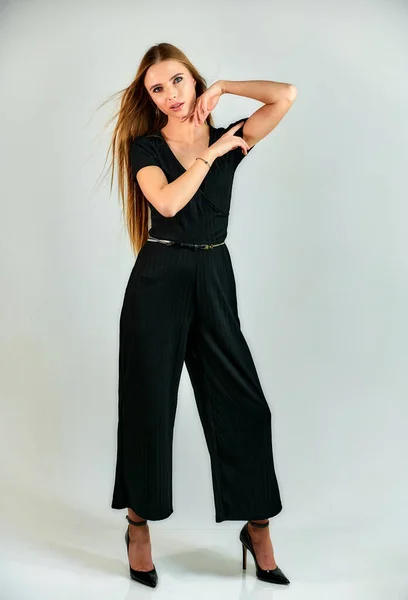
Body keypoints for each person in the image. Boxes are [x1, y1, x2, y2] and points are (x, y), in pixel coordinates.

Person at [107, 42, 296, 588]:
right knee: (149, 405)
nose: (168, 95)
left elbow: (285, 96)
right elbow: (166, 204)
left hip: (214, 276)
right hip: (158, 279)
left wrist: (228, 87)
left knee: (244, 405)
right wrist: (211, 156)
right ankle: (138, 524)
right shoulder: (144, 146)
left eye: (177, 82)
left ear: (194, 82)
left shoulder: (228, 132)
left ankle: (257, 528)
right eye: (157, 89)